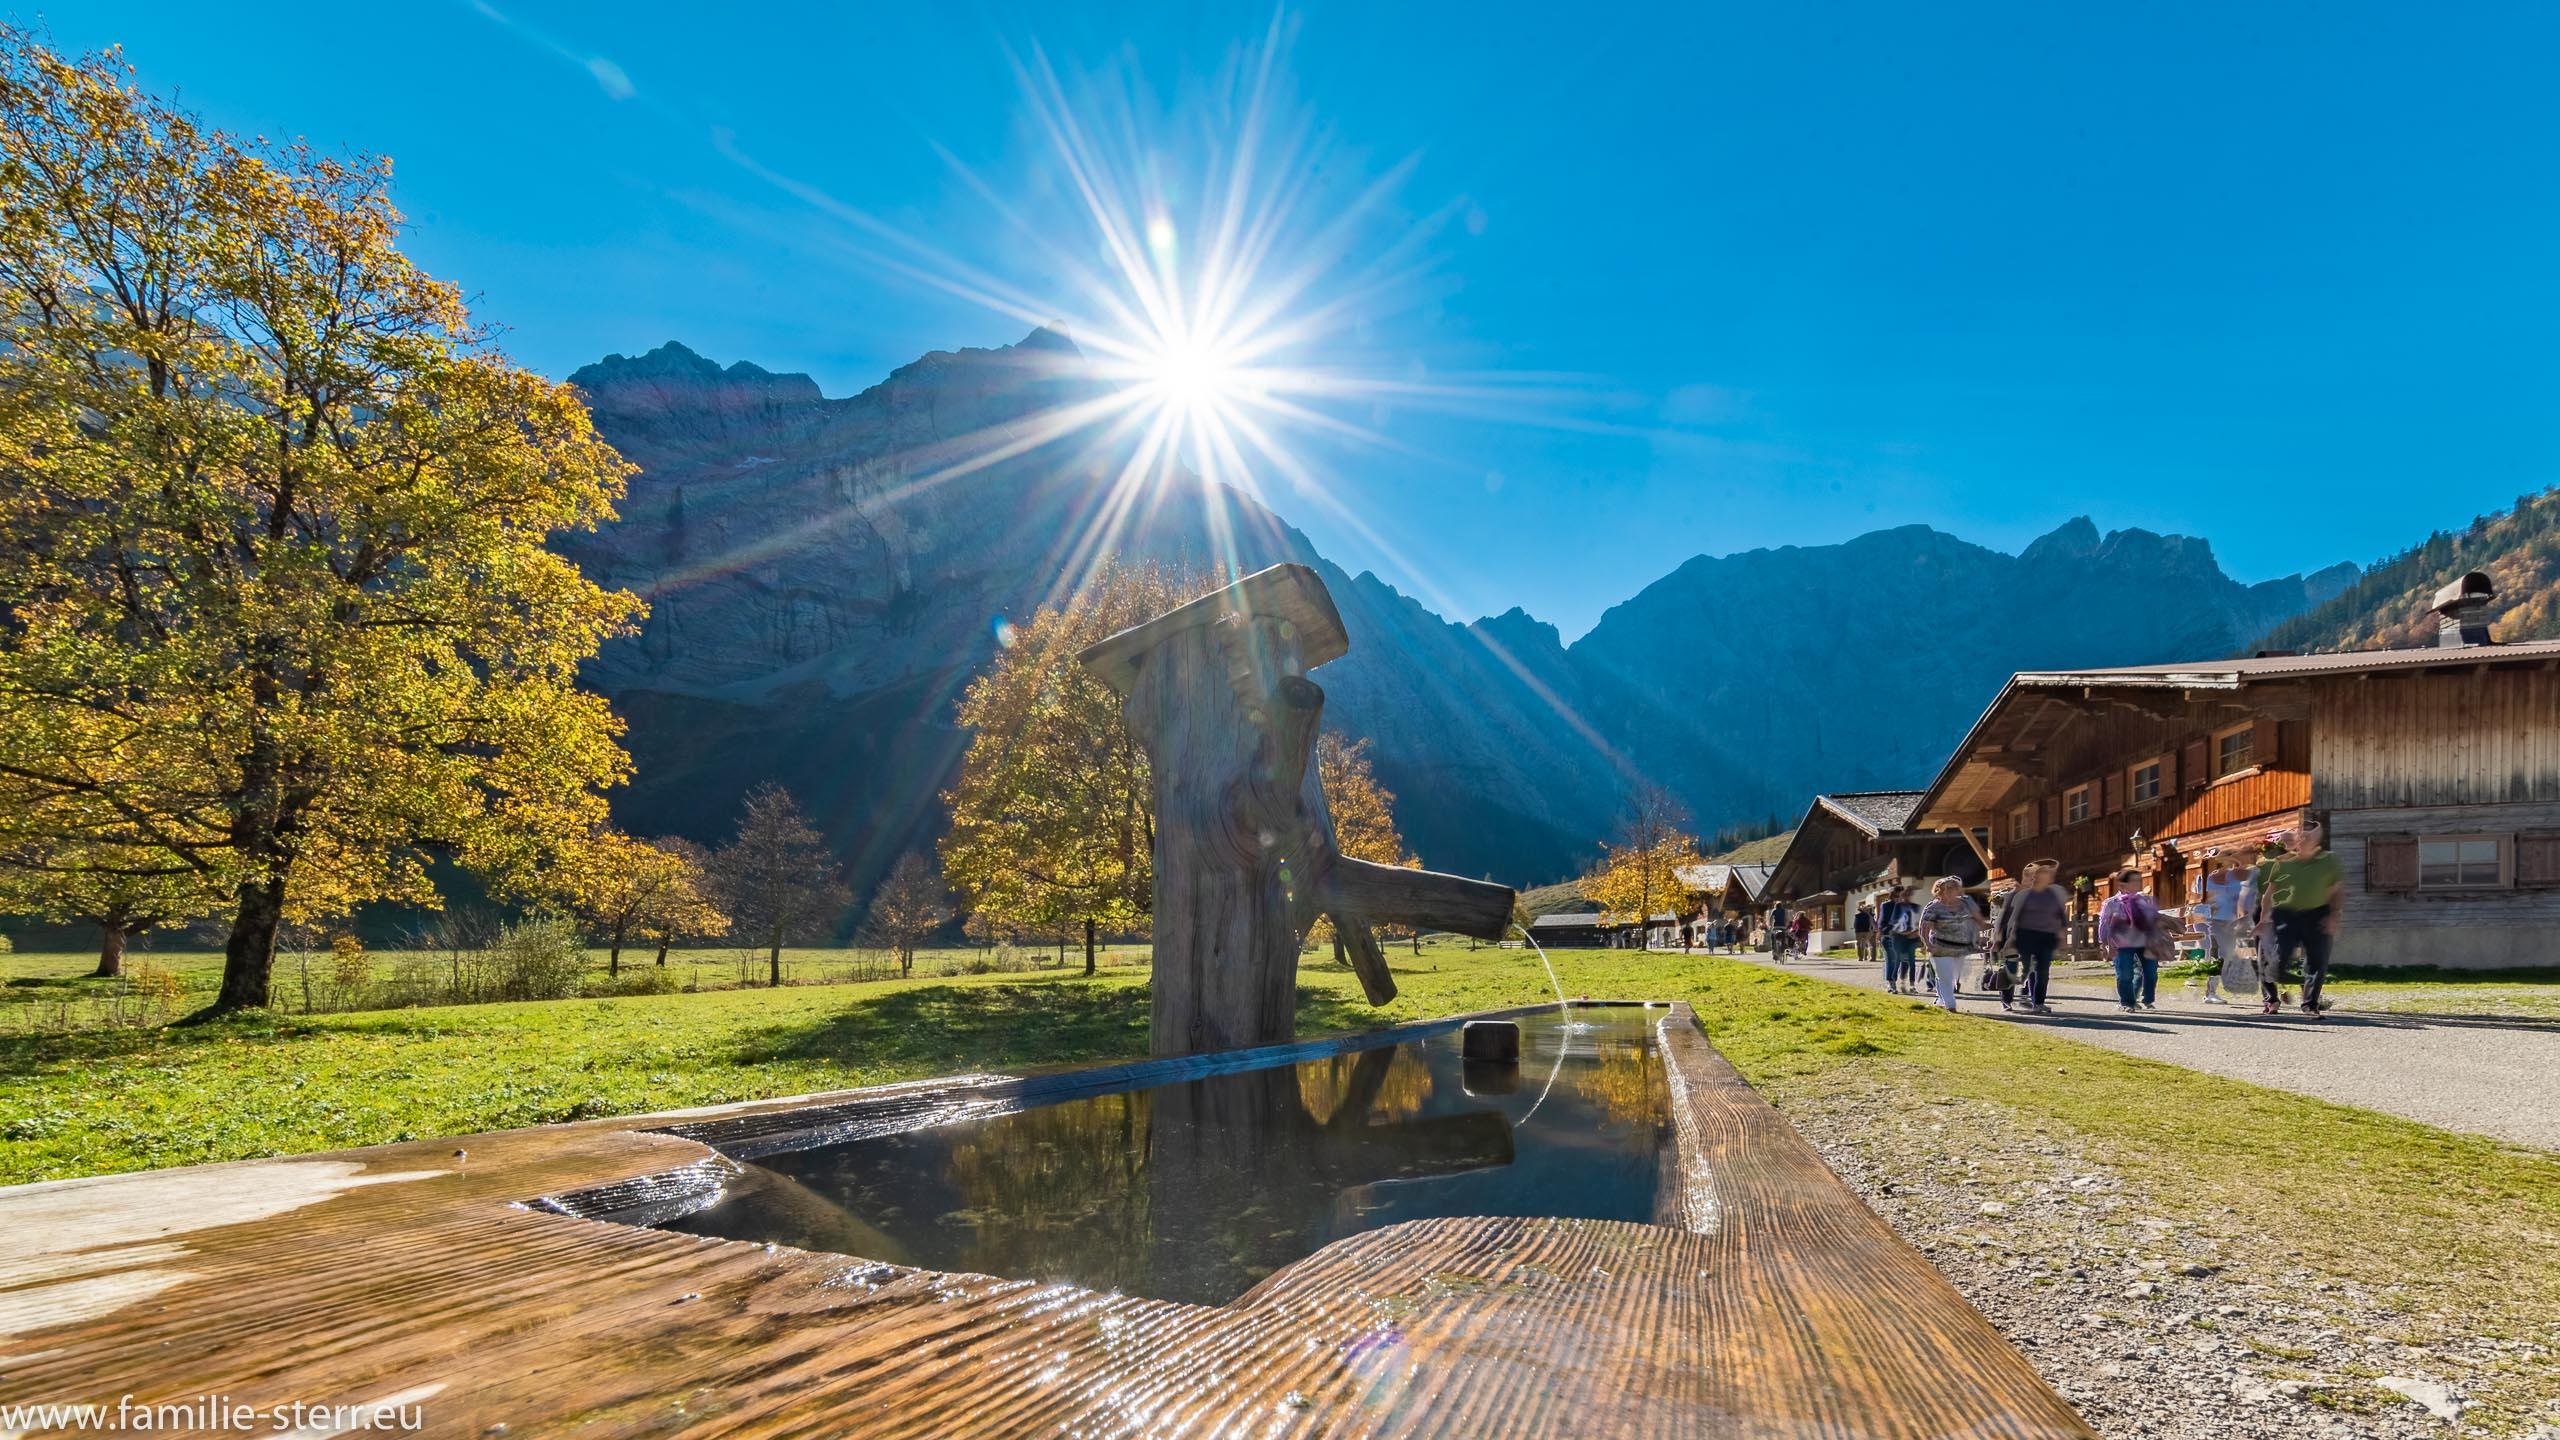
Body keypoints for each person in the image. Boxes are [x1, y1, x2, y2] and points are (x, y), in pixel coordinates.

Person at [2257, 822, 2345, 1018]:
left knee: (2318, 960)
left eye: (2308, 837)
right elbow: (2269, 893)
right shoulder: (2283, 862)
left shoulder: (2329, 861)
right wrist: (2263, 919)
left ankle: (2310, 1005)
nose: (2304, 840)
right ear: (2296, 842)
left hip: (2318, 914)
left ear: (2316, 841)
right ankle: (2275, 978)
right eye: (2301, 837)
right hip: (2287, 914)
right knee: (2280, 959)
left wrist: (2334, 915)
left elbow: (2337, 890)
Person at [1993, 860, 2069, 1015]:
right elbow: (2003, 919)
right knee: (2011, 968)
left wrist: (2060, 935)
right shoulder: (2014, 896)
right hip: (2014, 939)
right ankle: (2006, 1000)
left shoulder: (2049, 895)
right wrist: (1997, 939)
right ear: (2025, 878)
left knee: (2039, 970)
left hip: (2041, 938)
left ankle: (2038, 1002)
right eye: (2030, 878)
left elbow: (2058, 915)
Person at [2096, 868, 2164, 1013]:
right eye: (2134, 881)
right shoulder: (2111, 903)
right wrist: (2104, 944)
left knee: (2151, 972)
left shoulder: (2145, 900)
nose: (2138, 884)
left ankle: (2147, 998)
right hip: (2121, 944)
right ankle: (2126, 1002)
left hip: (2144, 942)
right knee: (2125, 974)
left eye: (2139, 881)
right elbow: (2104, 925)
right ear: (2122, 885)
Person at [1916, 877, 1982, 1012]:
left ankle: (1941, 998)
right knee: (1946, 976)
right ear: (1939, 891)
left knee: (1952, 976)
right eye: (1948, 888)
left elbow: (1974, 922)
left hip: (1961, 947)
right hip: (1940, 946)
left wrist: (1978, 938)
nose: (1951, 891)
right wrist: (1927, 944)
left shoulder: (1965, 905)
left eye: (1954, 888)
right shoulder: (1933, 907)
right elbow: (1924, 927)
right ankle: (1950, 1005)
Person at [2194, 855, 2248, 1004]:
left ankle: (2219, 987)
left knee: (2226, 957)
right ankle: (2210, 992)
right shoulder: (2205, 879)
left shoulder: (2236, 881)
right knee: (2217, 956)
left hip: (2230, 923)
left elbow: (2240, 902)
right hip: (2212, 923)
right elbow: (2200, 901)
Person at [1877, 885, 1921, 993]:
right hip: (1889, 937)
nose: (1900, 898)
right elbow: (1882, 924)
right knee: (1892, 960)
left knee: (1905, 962)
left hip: (1905, 938)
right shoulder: (1887, 906)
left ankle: (1904, 984)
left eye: (1902, 895)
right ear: (1892, 896)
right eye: (1897, 896)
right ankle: (1891, 985)